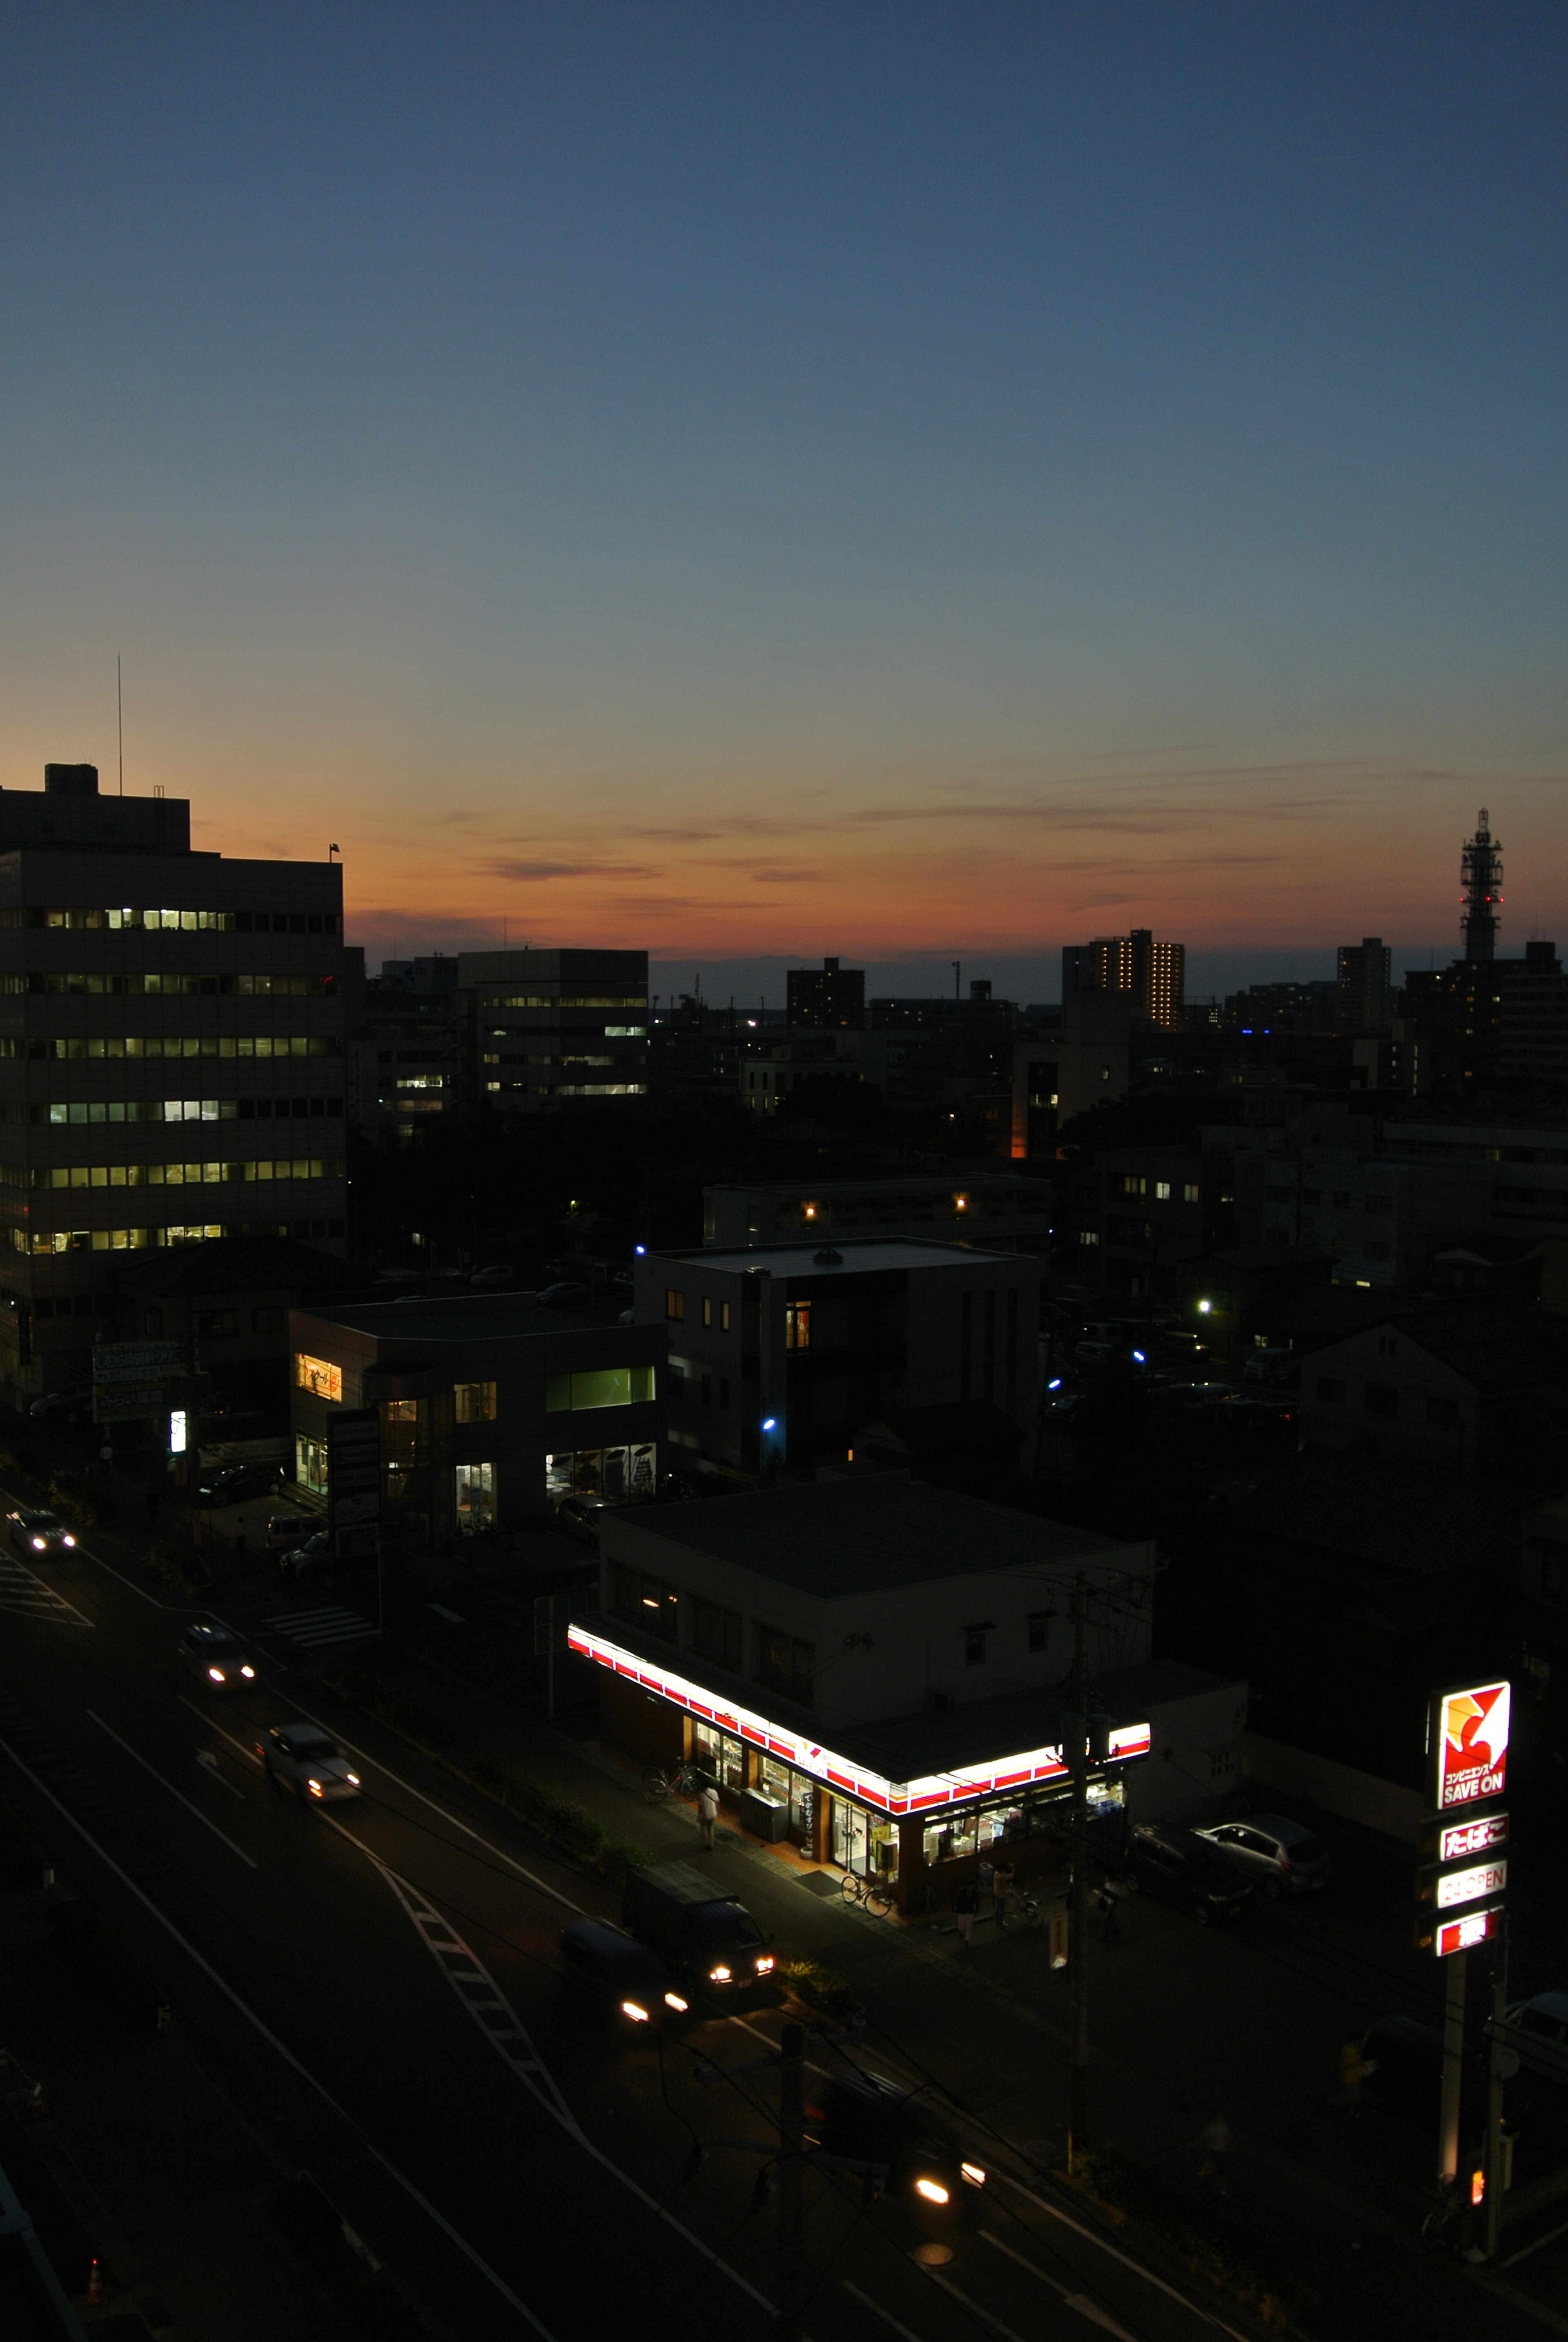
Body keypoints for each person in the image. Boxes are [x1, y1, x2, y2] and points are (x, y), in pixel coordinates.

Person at [1196, 2112, 1234, 2198]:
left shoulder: (1224, 2128)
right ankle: (1200, 2182)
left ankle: (1224, 2191)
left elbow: (1228, 2139)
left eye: (1221, 2118)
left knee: (1219, 2172)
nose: (1220, 2119)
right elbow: (1205, 2137)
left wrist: (1230, 2146)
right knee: (1209, 2168)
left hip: (1221, 2152)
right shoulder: (1212, 2127)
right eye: (1218, 2117)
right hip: (1212, 2151)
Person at [953, 1875, 980, 1948]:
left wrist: (977, 1910)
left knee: (969, 1927)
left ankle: (967, 1941)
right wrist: (957, 1910)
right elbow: (957, 1901)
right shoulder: (962, 1892)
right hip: (962, 1912)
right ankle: (961, 1932)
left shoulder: (975, 1893)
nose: (972, 1888)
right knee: (961, 1925)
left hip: (970, 1912)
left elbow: (978, 1902)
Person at [991, 1856, 1016, 1928]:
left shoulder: (996, 1874)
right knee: (1001, 1909)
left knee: (998, 1907)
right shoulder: (1002, 1876)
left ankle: (997, 1921)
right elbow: (1012, 1876)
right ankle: (1000, 1923)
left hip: (996, 1893)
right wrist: (1013, 1868)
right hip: (1002, 1894)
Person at [697, 1781, 719, 1851]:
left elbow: (700, 1807)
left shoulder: (702, 1795)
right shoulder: (714, 1792)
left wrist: (699, 1816)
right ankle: (711, 1844)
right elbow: (717, 1801)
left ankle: (706, 1842)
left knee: (703, 1828)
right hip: (713, 1814)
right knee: (710, 1828)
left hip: (706, 1815)